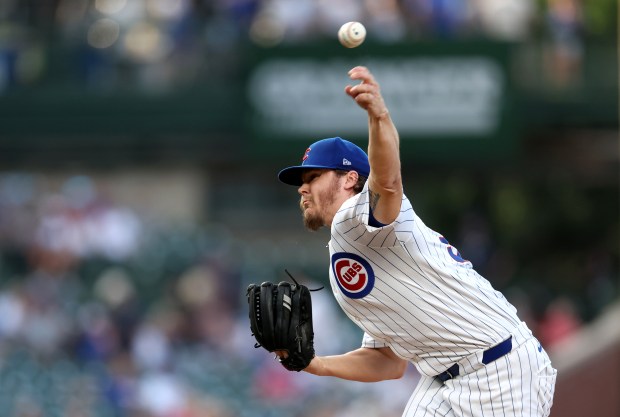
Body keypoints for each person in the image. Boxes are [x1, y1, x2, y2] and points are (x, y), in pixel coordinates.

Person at [276, 66, 557, 417]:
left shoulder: (357, 219)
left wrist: (380, 118)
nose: (303, 187)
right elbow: (387, 362)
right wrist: (316, 364)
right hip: (442, 380)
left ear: (350, 179)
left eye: (313, 176)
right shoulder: (345, 255)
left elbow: (388, 182)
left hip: (502, 370)